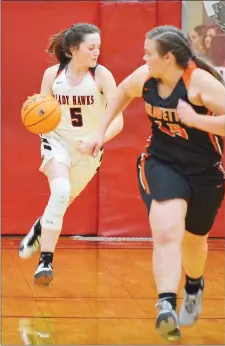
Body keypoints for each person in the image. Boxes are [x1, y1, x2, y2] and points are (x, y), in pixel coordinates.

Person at [78, 25, 225, 341]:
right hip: (161, 163)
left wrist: (198, 120)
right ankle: (166, 305)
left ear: (168, 57)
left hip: (204, 172)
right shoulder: (146, 76)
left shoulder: (200, 83)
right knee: (167, 230)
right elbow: (120, 93)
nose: (143, 57)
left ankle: (194, 284)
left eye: (148, 52)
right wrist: (99, 134)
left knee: (194, 241)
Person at [18, 23, 123, 285]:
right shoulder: (52, 75)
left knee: (63, 200)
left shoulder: (102, 76)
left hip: (89, 149)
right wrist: (36, 120)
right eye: (91, 47)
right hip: (57, 142)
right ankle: (46, 261)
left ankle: (39, 228)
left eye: (99, 47)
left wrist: (98, 139)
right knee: (61, 191)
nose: (97, 52)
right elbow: (41, 112)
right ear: (73, 49)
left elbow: (118, 120)